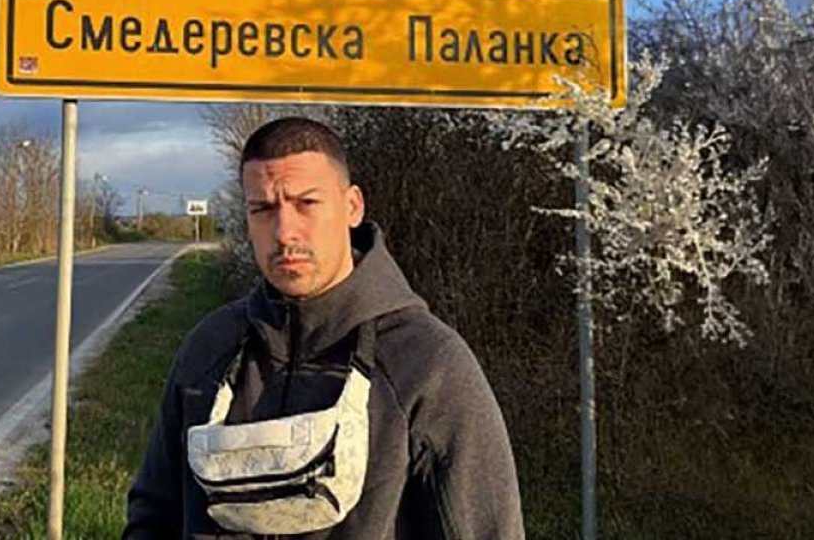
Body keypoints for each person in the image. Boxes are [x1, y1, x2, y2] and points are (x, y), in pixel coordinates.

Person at [123, 117, 524, 539]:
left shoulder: (428, 363)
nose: (284, 232)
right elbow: (154, 513)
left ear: (352, 206)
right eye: (263, 209)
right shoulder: (211, 348)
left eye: (306, 203)